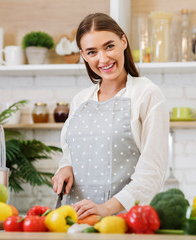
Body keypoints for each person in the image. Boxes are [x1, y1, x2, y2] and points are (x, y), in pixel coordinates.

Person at [51, 13, 169, 219]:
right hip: (75, 219)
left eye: (109, 46)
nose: (103, 59)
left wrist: (105, 208)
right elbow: (70, 154)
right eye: (92, 52)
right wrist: (65, 168)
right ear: (83, 56)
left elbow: (152, 171)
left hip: (127, 221)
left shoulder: (147, 94)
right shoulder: (80, 100)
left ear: (123, 41)